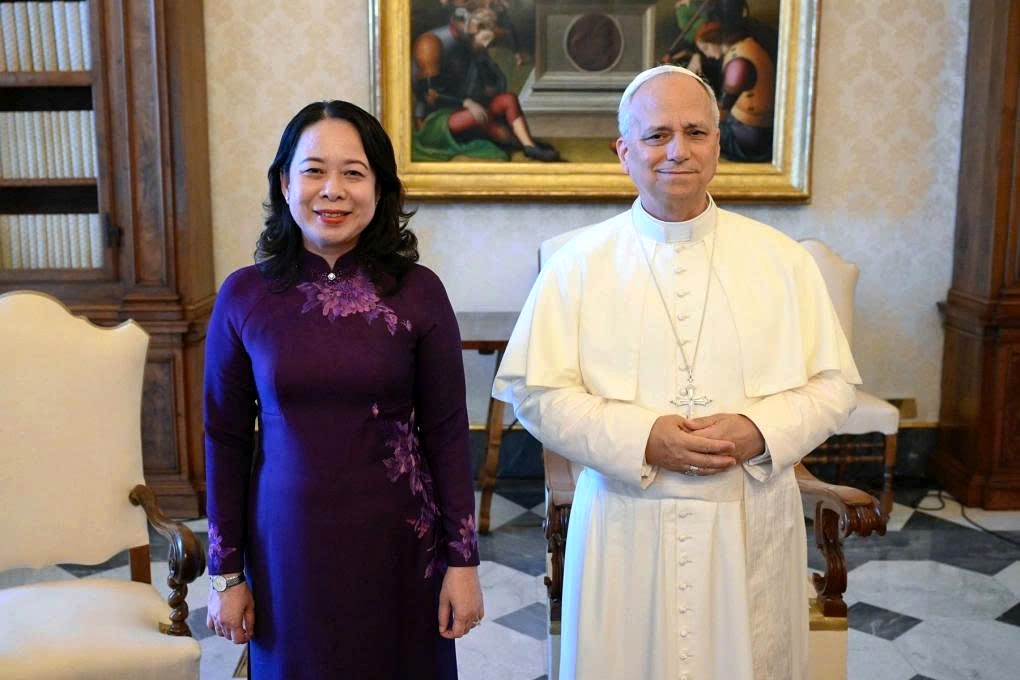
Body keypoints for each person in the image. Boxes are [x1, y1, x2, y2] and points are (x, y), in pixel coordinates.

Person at [492, 65, 860, 679]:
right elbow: (537, 393)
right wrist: (642, 438)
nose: (678, 151)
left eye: (695, 132)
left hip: (750, 519)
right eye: (658, 135)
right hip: (624, 523)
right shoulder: (576, 264)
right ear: (624, 151)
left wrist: (758, 428)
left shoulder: (782, 261)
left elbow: (834, 385)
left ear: (717, 144)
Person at [204, 100, 483, 679]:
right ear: (285, 184)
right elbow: (225, 439)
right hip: (286, 549)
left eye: (353, 173)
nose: (332, 190)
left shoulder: (419, 292)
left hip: (402, 548)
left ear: (378, 189)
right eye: (313, 170)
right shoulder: (243, 296)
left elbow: (450, 434)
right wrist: (226, 573)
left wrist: (463, 563)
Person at [412, 6, 559, 162]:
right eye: (487, 39)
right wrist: (466, 102)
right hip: (436, 119)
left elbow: (498, 84)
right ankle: (518, 143)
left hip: (467, 108)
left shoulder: (474, 47)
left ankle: (529, 146)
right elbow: (428, 94)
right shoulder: (432, 43)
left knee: (508, 99)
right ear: (475, 29)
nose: (488, 46)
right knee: (482, 117)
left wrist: (482, 64)